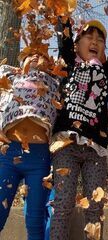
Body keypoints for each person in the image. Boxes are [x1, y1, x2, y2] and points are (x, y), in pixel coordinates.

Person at [49, 1, 108, 239]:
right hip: (65, 144)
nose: (94, 41)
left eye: (100, 39)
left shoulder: (106, 71)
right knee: (63, 203)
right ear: (75, 44)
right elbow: (62, 23)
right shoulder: (67, 63)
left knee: (95, 207)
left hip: (96, 151)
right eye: (88, 36)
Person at [0, 53, 60, 240]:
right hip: (8, 153)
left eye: (41, 55)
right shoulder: (11, 76)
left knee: (34, 219)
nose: (36, 57)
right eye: (30, 54)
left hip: (39, 157)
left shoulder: (53, 81)